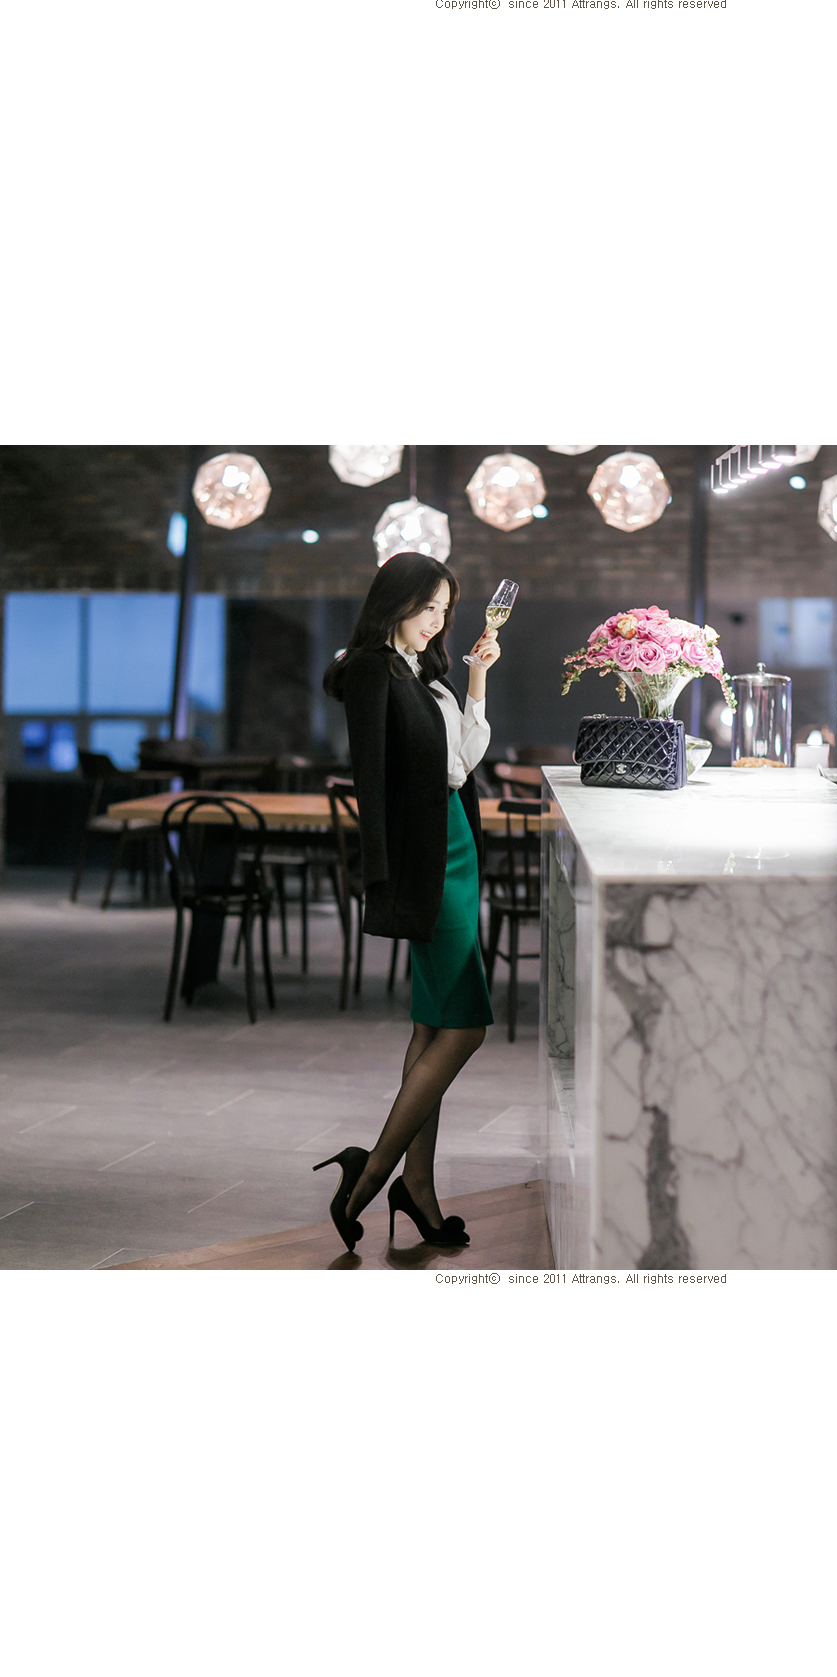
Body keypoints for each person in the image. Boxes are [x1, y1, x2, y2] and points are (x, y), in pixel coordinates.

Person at [314, 523, 499, 1259]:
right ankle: (369, 1175)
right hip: (427, 859)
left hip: (456, 845)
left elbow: (460, 763)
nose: (436, 620)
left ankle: (416, 1187)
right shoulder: (371, 671)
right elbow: (371, 778)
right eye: (427, 607)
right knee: (466, 1026)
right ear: (394, 603)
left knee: (432, 1025)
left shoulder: (425, 675)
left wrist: (476, 677)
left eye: (444, 610)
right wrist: (382, 877)